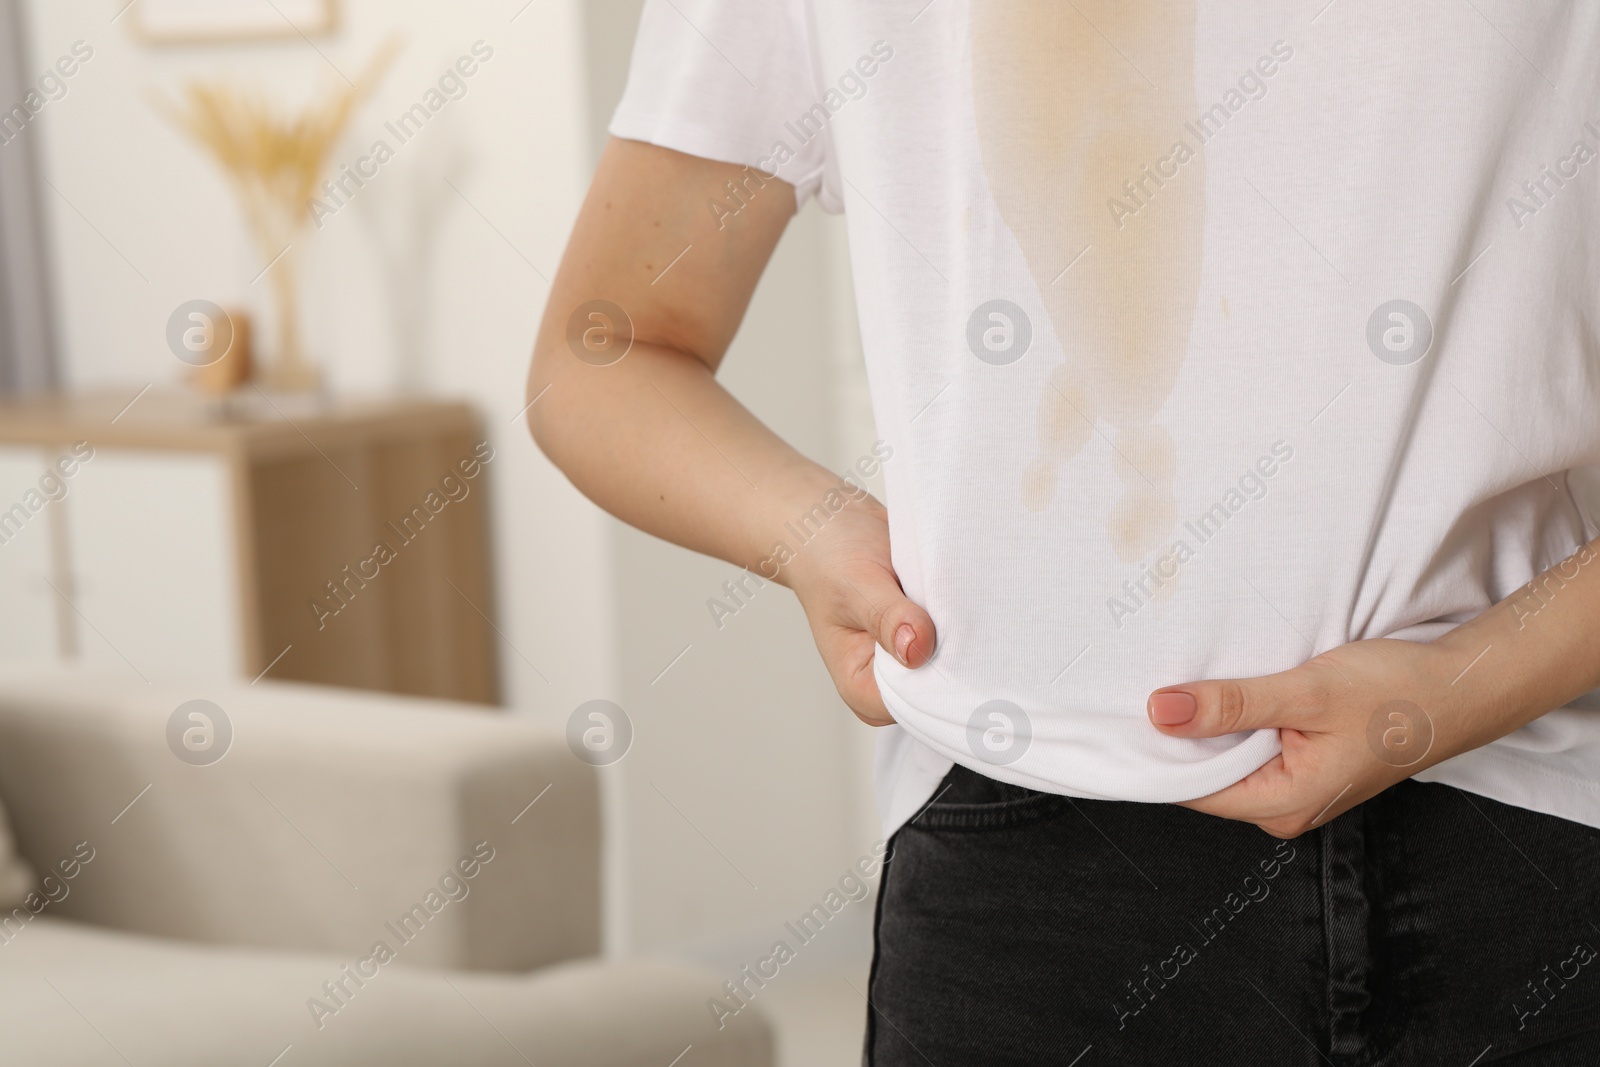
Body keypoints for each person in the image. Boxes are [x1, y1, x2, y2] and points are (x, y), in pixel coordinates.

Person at [527, 2, 1600, 1063]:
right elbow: (602, 350)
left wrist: (1459, 682)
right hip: (1022, 869)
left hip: (1511, 822)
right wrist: (815, 537)